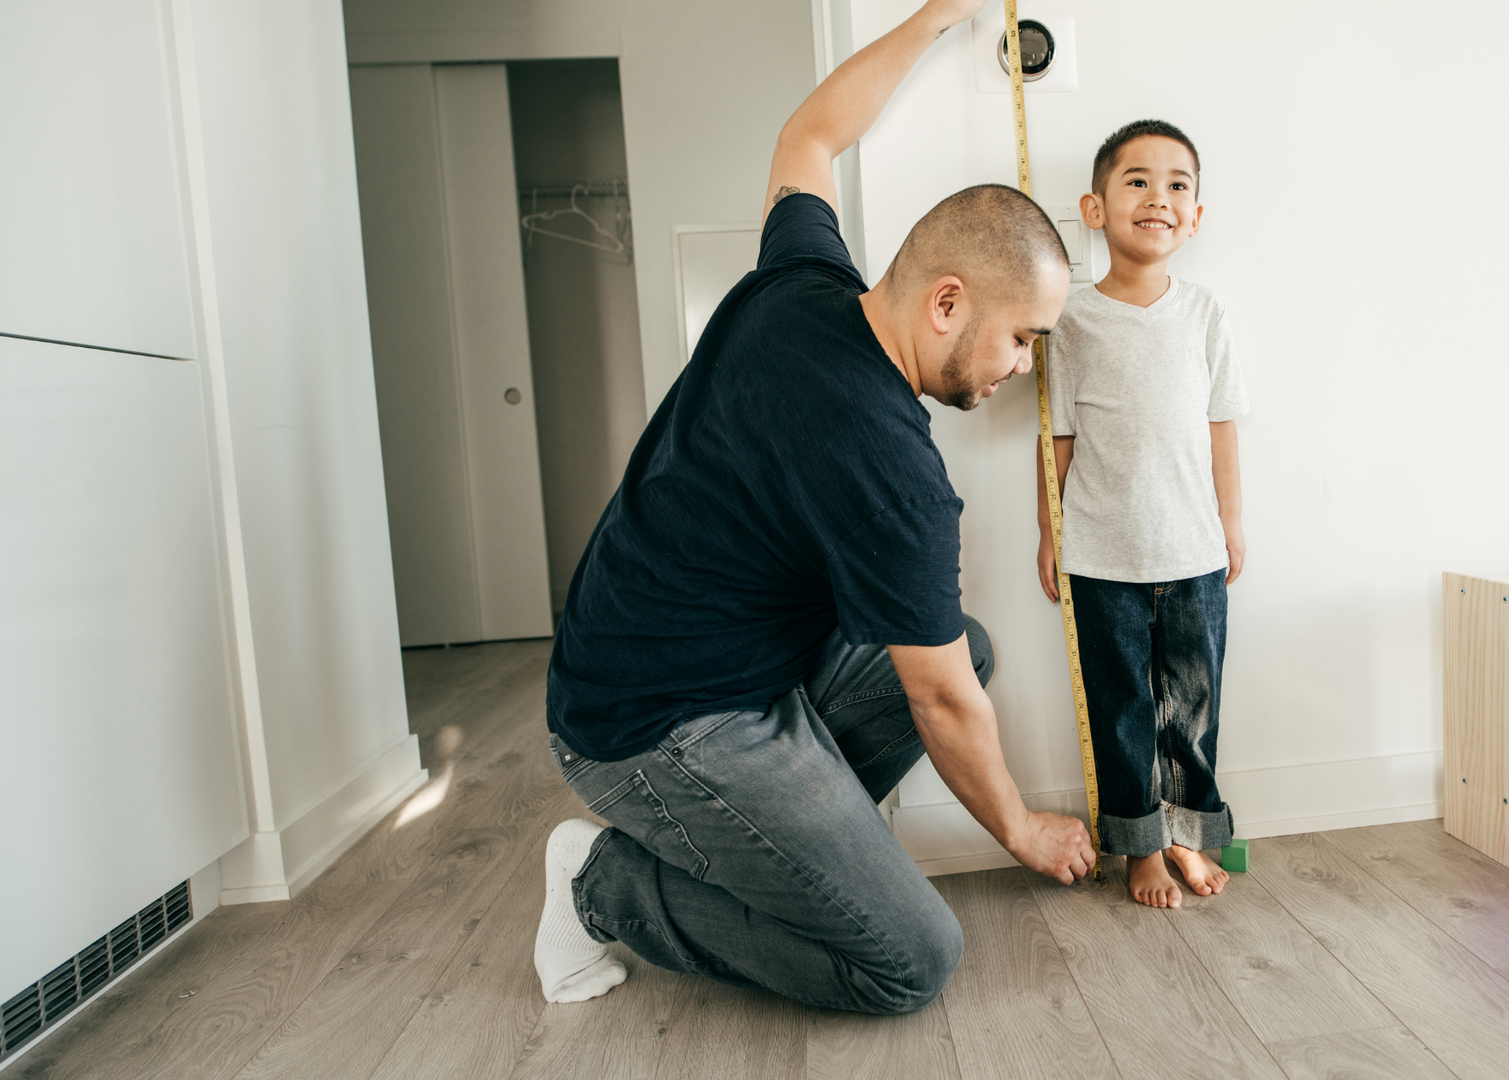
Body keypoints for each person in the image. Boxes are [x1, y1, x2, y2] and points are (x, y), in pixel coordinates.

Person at [530, 0, 1093, 1016]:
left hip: (655, 655)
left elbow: (811, 135)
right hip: (650, 722)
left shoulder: (803, 281)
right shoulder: (896, 475)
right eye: (1024, 337)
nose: (1023, 366)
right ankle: (598, 886)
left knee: (961, 643)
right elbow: (942, 705)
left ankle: (792, 849)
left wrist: (938, 15)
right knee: (909, 961)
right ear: (949, 301)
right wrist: (1023, 829)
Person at [1035, 120, 1249, 910]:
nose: (1157, 197)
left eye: (1177, 185)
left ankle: (1192, 837)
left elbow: (1222, 424)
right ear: (1095, 208)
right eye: (1137, 181)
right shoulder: (1072, 319)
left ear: (1194, 217)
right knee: (1121, 710)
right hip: (1101, 555)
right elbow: (1054, 435)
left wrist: (1231, 523)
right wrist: (1048, 534)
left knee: (1191, 710)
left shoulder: (1205, 314)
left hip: (1193, 553)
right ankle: (1140, 850)